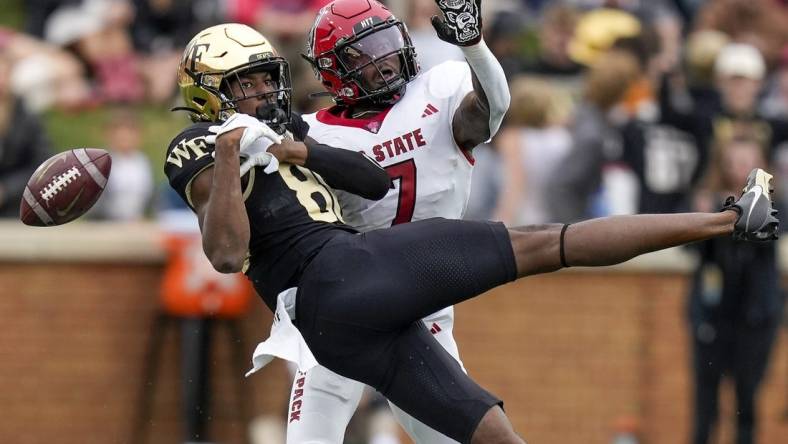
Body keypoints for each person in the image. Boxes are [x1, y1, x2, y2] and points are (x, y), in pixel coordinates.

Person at [165, 20, 779, 444]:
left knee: (490, 432)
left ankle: (729, 219)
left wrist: (296, 147)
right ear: (206, 95)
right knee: (546, 242)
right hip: (340, 277)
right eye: (242, 85)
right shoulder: (194, 145)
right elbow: (224, 253)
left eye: (265, 78)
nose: (261, 93)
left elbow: (372, 183)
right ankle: (728, 219)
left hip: (349, 319)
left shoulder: (292, 129)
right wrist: (226, 155)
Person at [289, 0, 510, 442]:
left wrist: (474, 46)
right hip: (346, 303)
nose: (383, 60)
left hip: (423, 309)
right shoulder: (310, 133)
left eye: (387, 44)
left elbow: (490, 112)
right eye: (363, 54)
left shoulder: (439, 89)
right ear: (334, 70)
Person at [688, 125, 784, 444]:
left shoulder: (777, 204)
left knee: (747, 401)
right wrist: (701, 219)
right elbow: (693, 251)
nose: (740, 167)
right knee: (705, 405)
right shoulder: (706, 200)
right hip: (712, 315)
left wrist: (723, 215)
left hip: (755, 317)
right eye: (735, 159)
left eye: (749, 160)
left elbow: (765, 234)